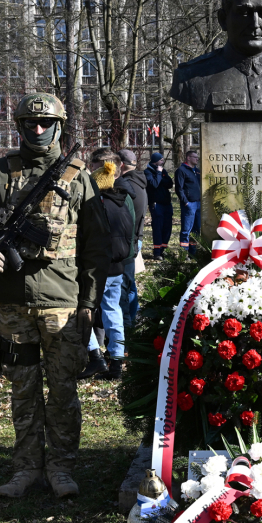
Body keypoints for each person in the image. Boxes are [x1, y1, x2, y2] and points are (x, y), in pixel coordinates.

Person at [0, 93, 109, 499]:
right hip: (13, 305)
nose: (37, 129)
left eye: (45, 123)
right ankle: (26, 467)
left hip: (63, 304)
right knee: (23, 390)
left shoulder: (79, 177)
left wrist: (88, 305)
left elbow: (94, 247)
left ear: (58, 126)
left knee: (63, 390)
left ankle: (62, 468)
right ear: (18, 126)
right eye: (29, 123)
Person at [89, 155, 135, 380]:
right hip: (117, 267)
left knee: (82, 310)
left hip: (98, 268)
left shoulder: (97, 207)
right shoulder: (123, 203)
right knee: (113, 311)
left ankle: (94, 356)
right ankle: (117, 360)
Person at [116, 149, 147, 326]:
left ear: (120, 164)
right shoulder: (139, 181)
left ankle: (129, 320)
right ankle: (134, 315)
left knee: (126, 283)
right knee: (130, 282)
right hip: (136, 237)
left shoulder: (127, 185)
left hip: (129, 240)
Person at [145, 152, 172, 259]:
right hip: (156, 205)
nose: (163, 161)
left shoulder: (162, 170)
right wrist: (159, 174)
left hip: (167, 204)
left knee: (167, 228)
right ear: (155, 162)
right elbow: (154, 184)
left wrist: (160, 176)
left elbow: (169, 183)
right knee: (158, 228)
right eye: (161, 160)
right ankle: (157, 252)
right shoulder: (147, 172)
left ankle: (163, 249)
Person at [176, 149, 201, 257]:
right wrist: (186, 202)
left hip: (198, 204)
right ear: (188, 158)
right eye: (195, 157)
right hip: (189, 204)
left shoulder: (197, 171)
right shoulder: (181, 170)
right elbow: (179, 188)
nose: (197, 159)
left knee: (196, 229)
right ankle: (184, 253)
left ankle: (193, 251)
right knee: (186, 229)